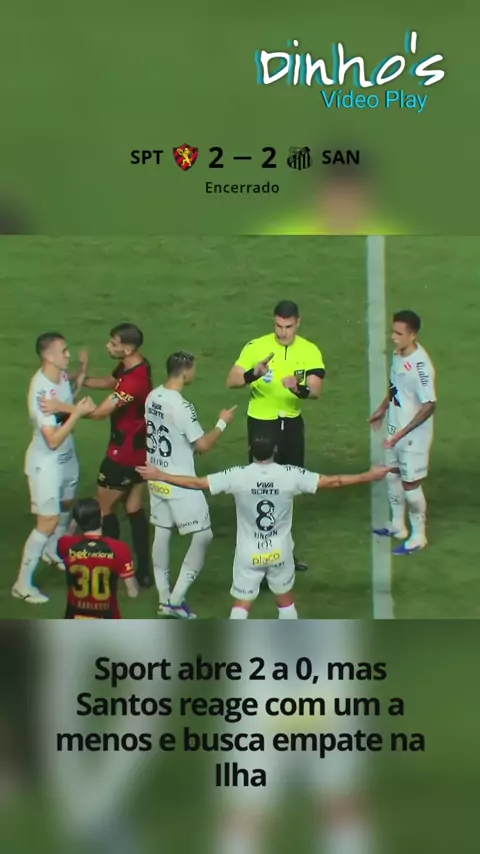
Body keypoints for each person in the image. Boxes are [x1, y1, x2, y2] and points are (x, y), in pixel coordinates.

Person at [137, 435, 391, 619]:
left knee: (241, 606)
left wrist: (161, 475)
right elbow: (333, 482)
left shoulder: (237, 475)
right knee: (286, 603)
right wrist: (368, 475)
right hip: (280, 552)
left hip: (248, 554)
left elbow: (198, 483)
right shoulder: (290, 474)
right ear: (275, 451)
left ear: (250, 450)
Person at [40, 323, 153, 587]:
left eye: (113, 343)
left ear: (127, 348)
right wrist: (82, 378)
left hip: (123, 454)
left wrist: (61, 407)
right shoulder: (136, 365)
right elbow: (112, 383)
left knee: (103, 509)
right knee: (134, 508)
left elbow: (101, 412)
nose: (108, 346)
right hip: (141, 450)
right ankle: (145, 572)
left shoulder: (133, 382)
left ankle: (113, 568)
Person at [226, 300, 325, 572]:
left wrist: (297, 389)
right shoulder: (256, 346)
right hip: (262, 423)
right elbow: (231, 380)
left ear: (298, 323)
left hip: (291, 424)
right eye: (278, 326)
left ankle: (283, 553)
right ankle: (258, 556)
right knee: (261, 488)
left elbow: (316, 390)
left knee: (288, 488)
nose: (283, 332)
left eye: (288, 326)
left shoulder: (310, 351)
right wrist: (253, 373)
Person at [142, 351, 237, 619]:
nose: (195, 373)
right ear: (185, 371)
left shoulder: (152, 396)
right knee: (203, 535)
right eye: (193, 369)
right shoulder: (182, 406)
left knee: (162, 532)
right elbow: (203, 445)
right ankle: (176, 599)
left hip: (155, 475)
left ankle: (163, 599)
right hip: (179, 481)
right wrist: (222, 423)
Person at [12, 333, 95, 605]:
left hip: (66, 457)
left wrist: (82, 371)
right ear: (49, 356)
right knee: (46, 521)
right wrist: (77, 413)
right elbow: (52, 440)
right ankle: (22, 584)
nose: (68, 354)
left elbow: (68, 393)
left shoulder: (60, 376)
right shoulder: (41, 393)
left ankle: (52, 550)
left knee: (67, 502)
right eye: (64, 351)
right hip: (46, 463)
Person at [369, 310, 436, 554]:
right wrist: (382, 408)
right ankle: (398, 525)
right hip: (395, 430)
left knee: (411, 485)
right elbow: (396, 386)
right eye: (393, 331)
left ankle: (419, 536)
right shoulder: (399, 354)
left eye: (399, 333)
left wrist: (402, 433)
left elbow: (429, 405)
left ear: (412, 335)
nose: (393, 337)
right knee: (392, 475)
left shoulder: (421, 366)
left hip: (412, 438)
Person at [58, 498, 139, 618]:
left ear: (76, 521)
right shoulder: (119, 548)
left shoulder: (65, 544)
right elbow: (133, 592)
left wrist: (73, 523)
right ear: (101, 515)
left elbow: (66, 537)